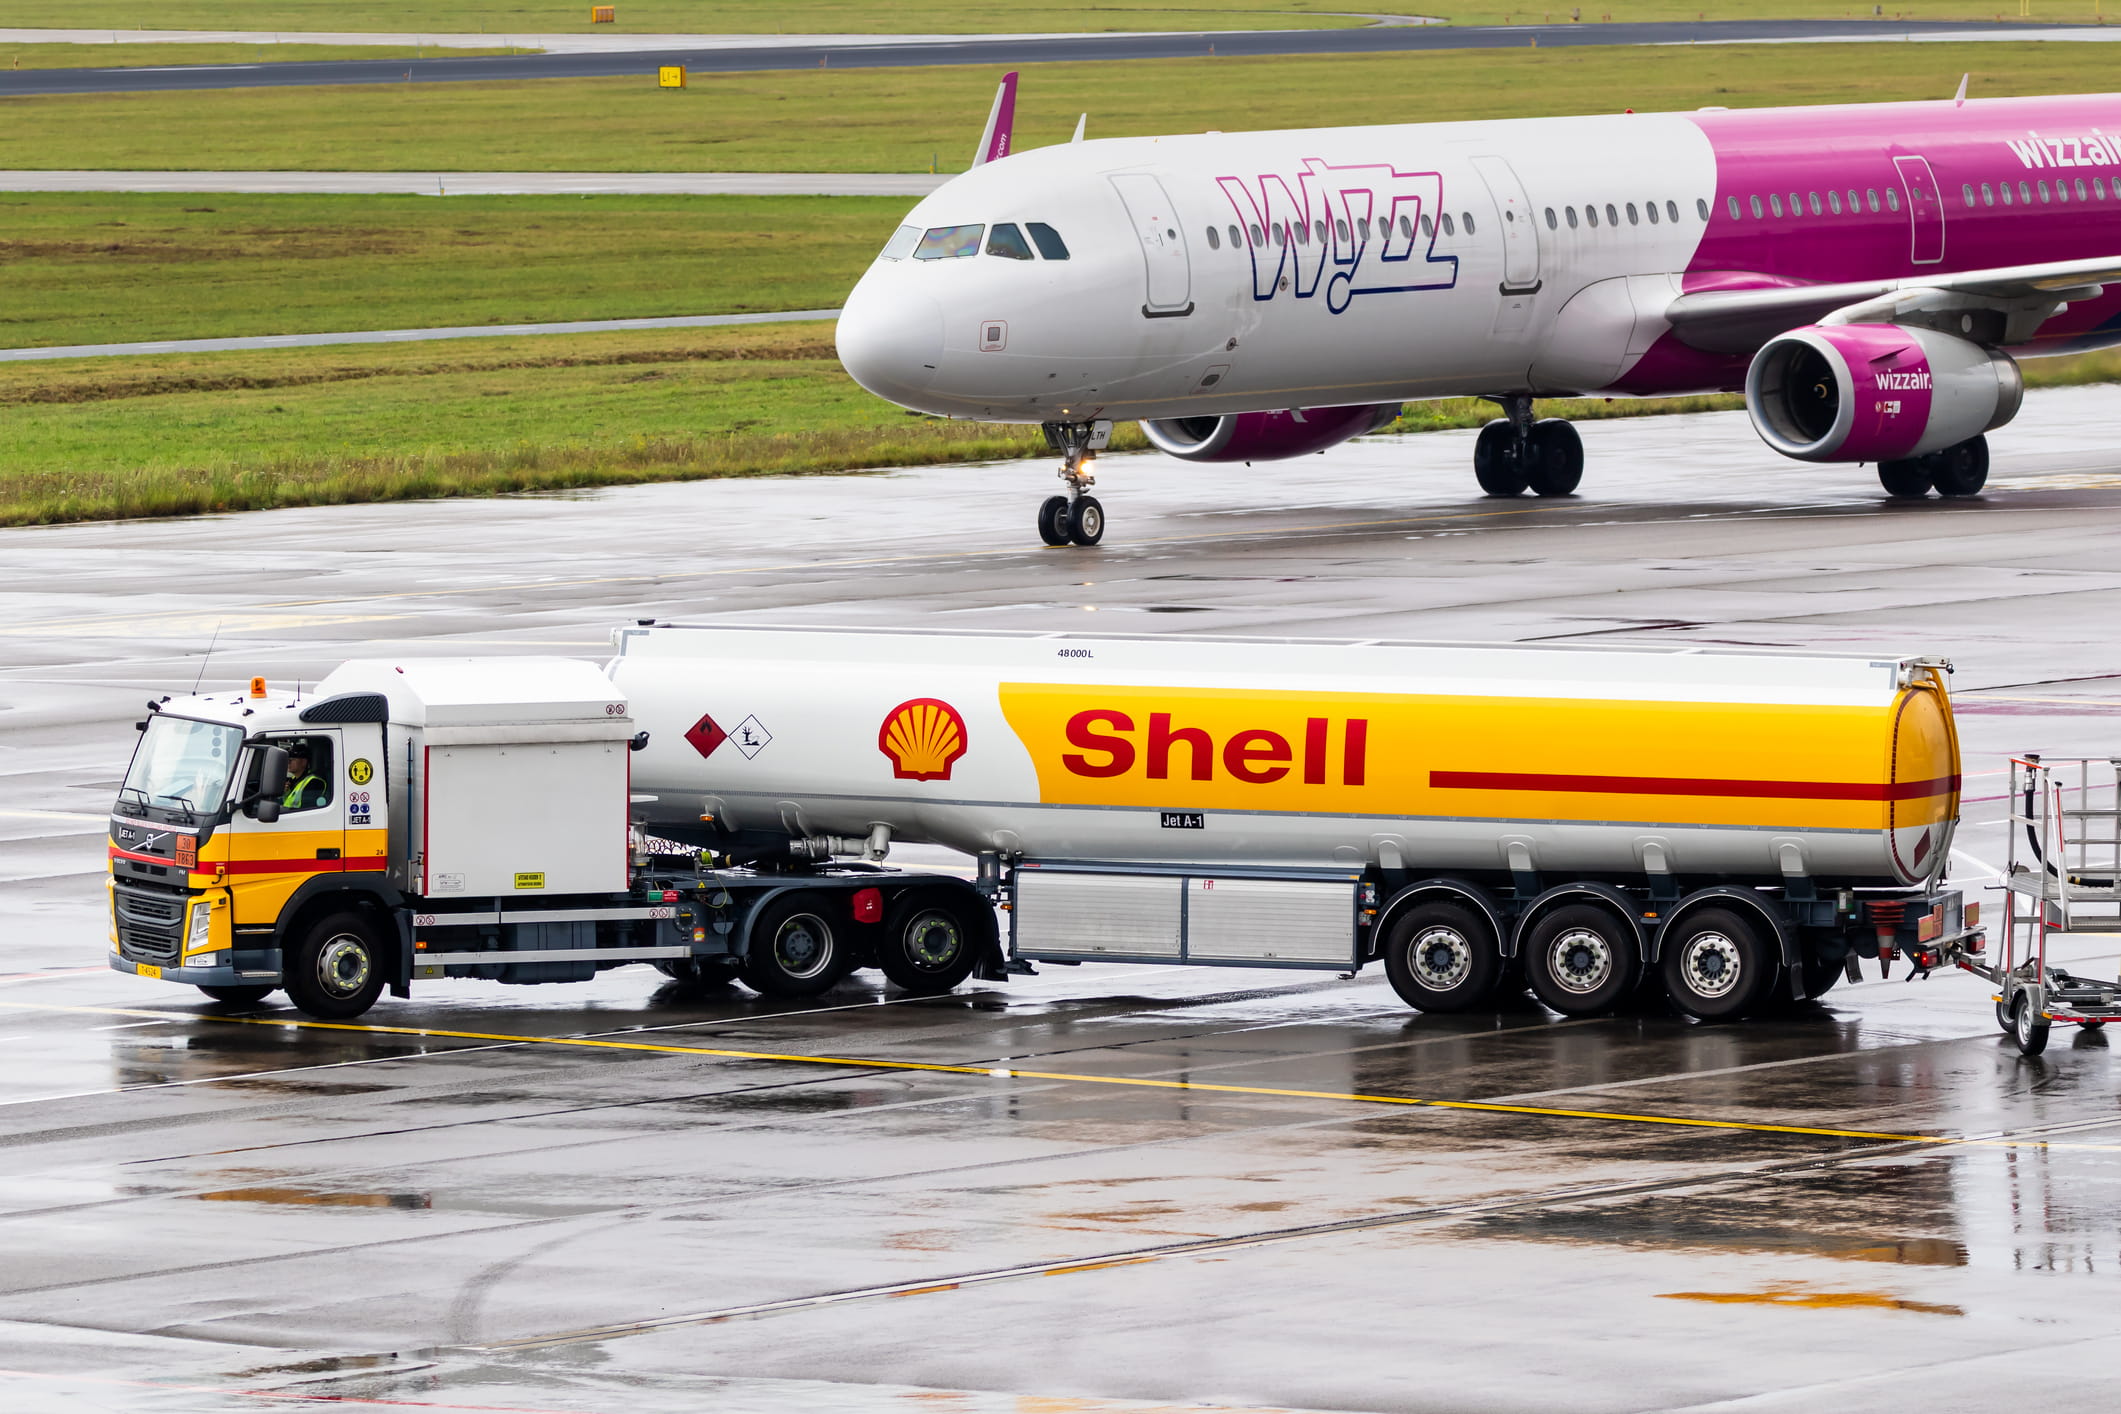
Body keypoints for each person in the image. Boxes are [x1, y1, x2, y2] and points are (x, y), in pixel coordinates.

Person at [280, 743, 328, 811]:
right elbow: (288, 803)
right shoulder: (293, 780)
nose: (288, 762)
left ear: (303, 762)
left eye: (292, 759)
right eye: (288, 759)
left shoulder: (314, 782)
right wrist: (285, 793)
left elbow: (306, 810)